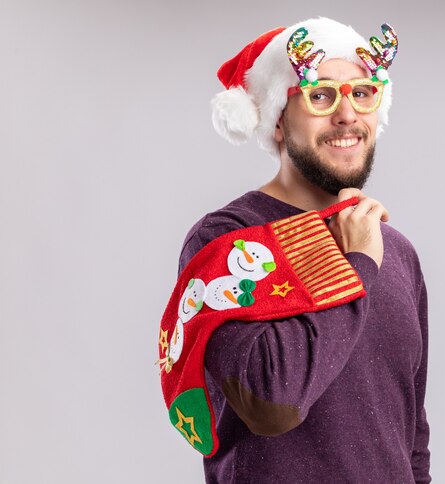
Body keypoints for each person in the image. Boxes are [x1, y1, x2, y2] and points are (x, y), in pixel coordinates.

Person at [177, 17, 431, 483]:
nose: (347, 115)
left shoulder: (396, 251)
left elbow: (410, 436)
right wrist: (355, 267)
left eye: (362, 93)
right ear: (277, 120)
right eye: (320, 96)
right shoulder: (228, 241)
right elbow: (272, 400)